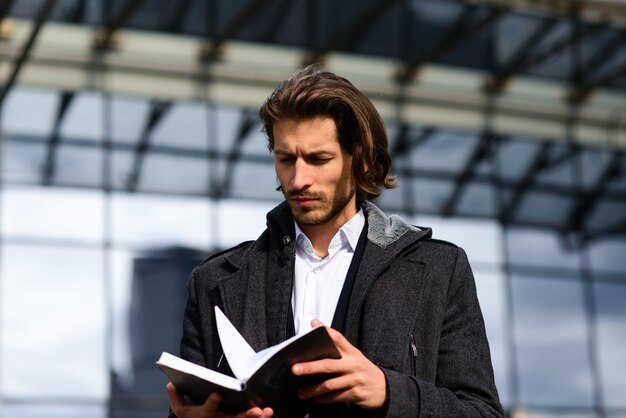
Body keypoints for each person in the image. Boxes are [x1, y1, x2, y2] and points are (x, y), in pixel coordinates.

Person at [166, 65, 504, 418]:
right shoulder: (214, 281)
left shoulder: (438, 271)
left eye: (318, 159)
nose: (298, 180)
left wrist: (389, 391)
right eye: (285, 159)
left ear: (358, 160)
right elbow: (188, 408)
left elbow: (483, 413)